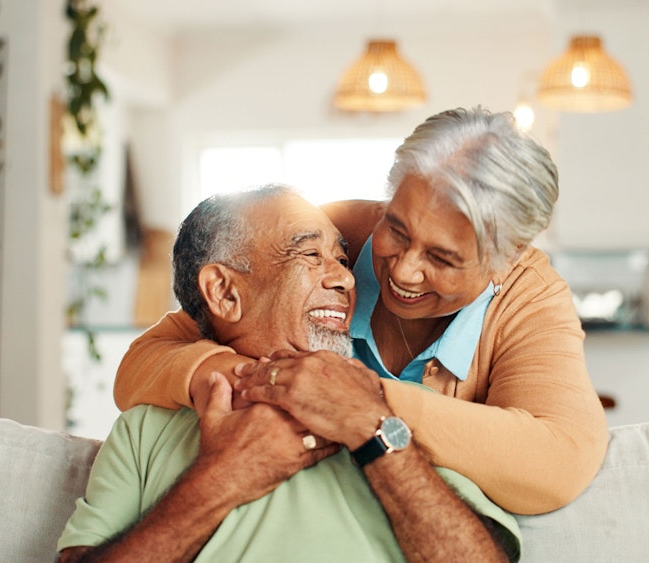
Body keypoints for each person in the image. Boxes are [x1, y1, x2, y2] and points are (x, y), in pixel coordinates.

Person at [113, 107, 609, 515]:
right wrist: (255, 376)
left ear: (508, 258)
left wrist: (360, 403)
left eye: (442, 258)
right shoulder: (331, 235)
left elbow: (557, 460)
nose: (404, 271)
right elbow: (152, 353)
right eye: (397, 228)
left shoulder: (530, 295)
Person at [57, 185, 520, 562]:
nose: (345, 279)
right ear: (224, 292)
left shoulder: (397, 414)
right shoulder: (144, 431)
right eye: (309, 256)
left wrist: (371, 428)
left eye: (340, 259)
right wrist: (226, 475)